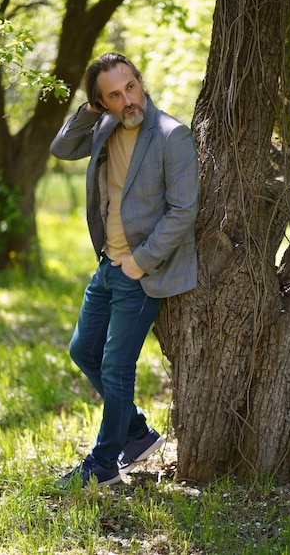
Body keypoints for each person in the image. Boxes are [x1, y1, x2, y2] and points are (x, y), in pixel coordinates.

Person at [50, 53, 198, 487]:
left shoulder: (172, 135)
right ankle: (135, 432)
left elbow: (183, 210)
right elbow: (62, 148)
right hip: (107, 265)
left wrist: (140, 261)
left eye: (130, 87)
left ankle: (103, 463)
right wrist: (90, 110)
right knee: (82, 351)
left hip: (142, 271)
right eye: (113, 95)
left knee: (116, 368)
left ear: (140, 81)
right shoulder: (104, 125)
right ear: (101, 102)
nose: (127, 99)